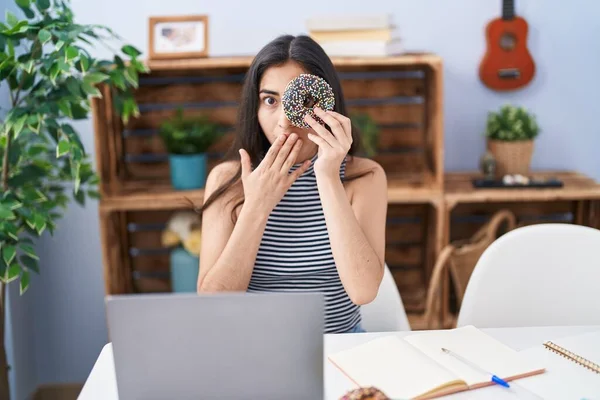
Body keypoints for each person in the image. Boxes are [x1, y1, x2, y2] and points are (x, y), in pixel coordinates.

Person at [196, 34, 388, 334]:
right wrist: (257, 207)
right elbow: (212, 304)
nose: (284, 121)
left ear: (326, 102)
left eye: (302, 101)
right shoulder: (228, 180)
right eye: (270, 100)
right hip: (255, 352)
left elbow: (363, 291)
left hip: (338, 349)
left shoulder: (365, 177)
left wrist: (327, 175)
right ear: (255, 107)